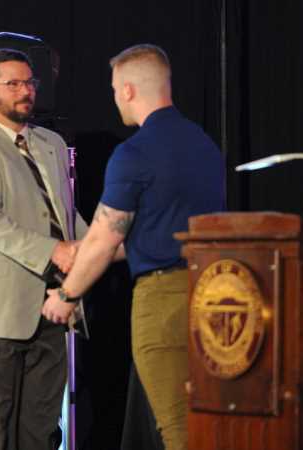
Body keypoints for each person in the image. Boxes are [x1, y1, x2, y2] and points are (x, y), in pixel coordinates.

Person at [42, 44, 225, 450]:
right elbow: (158, 232)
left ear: (127, 90)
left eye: (112, 90)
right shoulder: (204, 146)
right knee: (206, 419)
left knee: (176, 426)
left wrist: (68, 293)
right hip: (212, 295)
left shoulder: (134, 153)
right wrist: (82, 247)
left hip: (161, 302)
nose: (114, 99)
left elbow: (109, 237)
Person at [0, 48, 88, 450]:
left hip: (52, 304)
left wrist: (102, 245)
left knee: (40, 432)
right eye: (14, 83)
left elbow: (64, 211)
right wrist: (55, 251)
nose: (26, 91)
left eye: (30, 82)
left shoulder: (53, 144)